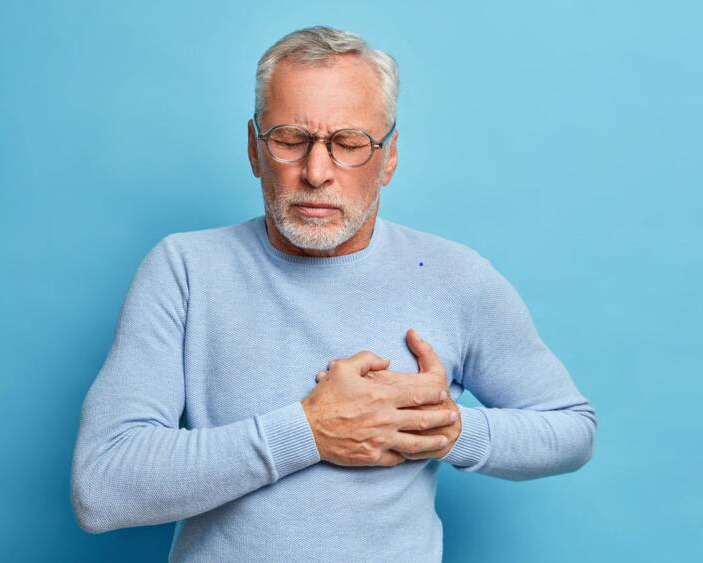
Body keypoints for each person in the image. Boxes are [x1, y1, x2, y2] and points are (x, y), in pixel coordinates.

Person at [71, 25, 597, 562]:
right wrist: (307, 432)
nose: (316, 172)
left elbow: (572, 429)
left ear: (388, 157)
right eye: (289, 140)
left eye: (348, 144)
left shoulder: (456, 276)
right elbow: (103, 487)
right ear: (254, 149)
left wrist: (444, 429)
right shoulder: (184, 269)